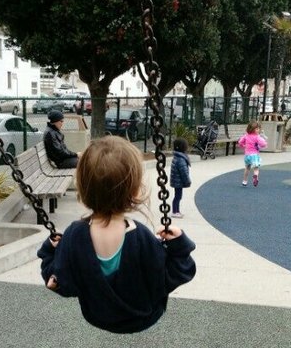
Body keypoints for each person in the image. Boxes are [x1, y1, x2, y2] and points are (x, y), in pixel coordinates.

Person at [37, 136, 196, 334]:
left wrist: (49, 250)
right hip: (143, 317)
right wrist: (179, 245)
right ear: (136, 190)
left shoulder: (73, 236)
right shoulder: (142, 238)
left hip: (96, 315)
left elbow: (58, 282)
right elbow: (178, 273)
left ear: (83, 188)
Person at [237, 120, 268, 187]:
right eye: (257, 129)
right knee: (256, 168)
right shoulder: (257, 137)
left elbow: (240, 142)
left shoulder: (246, 136)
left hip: (247, 155)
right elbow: (263, 144)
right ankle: (255, 176)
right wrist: (262, 145)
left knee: (247, 168)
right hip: (254, 155)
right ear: (253, 129)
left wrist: (244, 146)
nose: (258, 130)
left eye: (258, 128)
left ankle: (244, 181)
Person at [170, 137, 191, 218]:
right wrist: (187, 181)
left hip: (177, 180)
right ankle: (175, 211)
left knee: (178, 196)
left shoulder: (177, 157)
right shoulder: (181, 159)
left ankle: (177, 211)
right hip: (178, 181)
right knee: (178, 196)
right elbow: (184, 172)